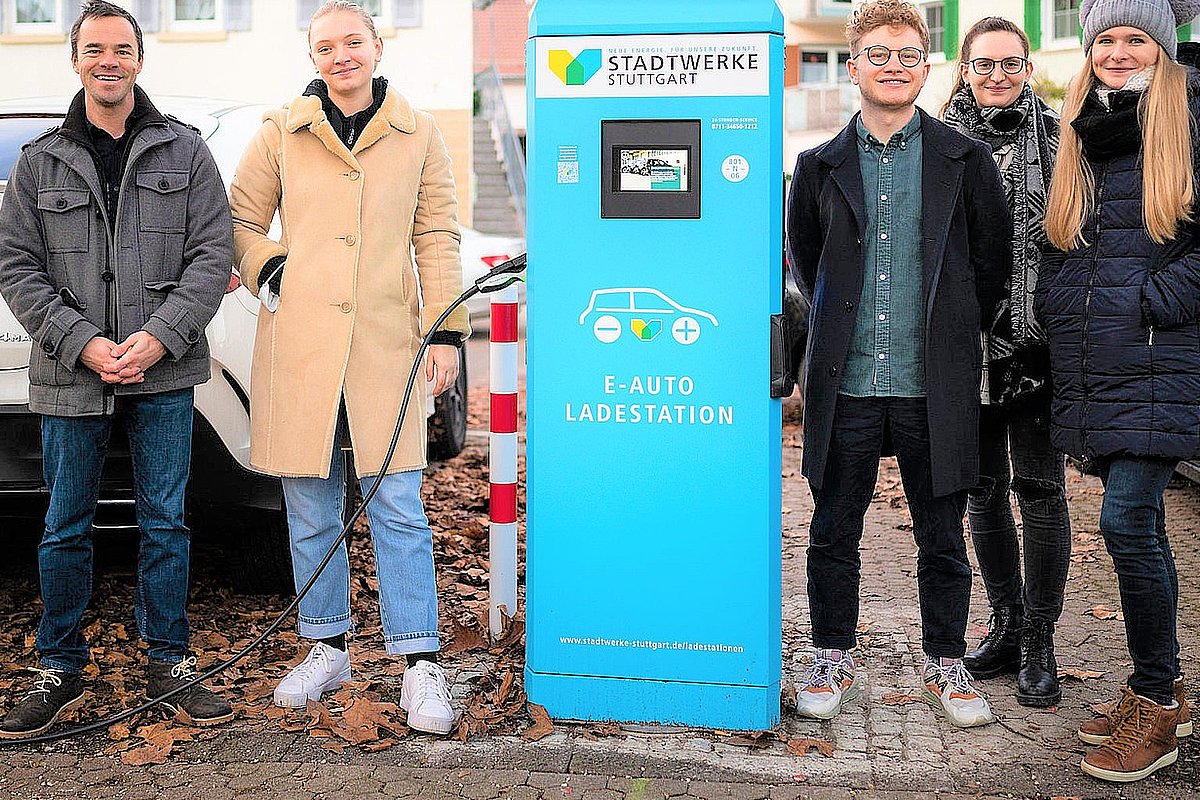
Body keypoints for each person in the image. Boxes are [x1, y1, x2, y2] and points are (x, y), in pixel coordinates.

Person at [228, 0, 469, 735]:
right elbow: (239, 218)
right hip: (300, 344)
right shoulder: (281, 130)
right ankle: (326, 646)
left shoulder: (418, 131)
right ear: (313, 56)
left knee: (397, 504)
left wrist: (447, 333)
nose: (341, 55)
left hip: (382, 346)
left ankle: (419, 662)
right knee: (309, 505)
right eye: (326, 45)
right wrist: (273, 271)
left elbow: (436, 233)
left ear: (376, 46)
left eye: (352, 42)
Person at [0, 1, 234, 738]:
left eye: (122, 48)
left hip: (164, 371)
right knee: (64, 526)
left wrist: (159, 337)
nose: (109, 60)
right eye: (95, 48)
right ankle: (58, 669)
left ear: (139, 59)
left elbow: (212, 254)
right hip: (71, 374)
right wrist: (81, 341)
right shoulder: (38, 161)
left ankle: (169, 661)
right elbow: (17, 265)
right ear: (76, 58)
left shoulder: (186, 151)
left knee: (166, 522)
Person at [786, 0, 1011, 729]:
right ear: (854, 66)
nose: (893, 66)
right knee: (833, 533)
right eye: (878, 53)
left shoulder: (964, 160)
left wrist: (950, 333)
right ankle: (831, 655)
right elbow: (809, 265)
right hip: (847, 383)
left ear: (926, 64)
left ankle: (947, 662)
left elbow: (990, 267)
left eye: (907, 53)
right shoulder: (816, 167)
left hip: (932, 383)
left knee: (945, 537)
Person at [1039, 0, 1200, 782]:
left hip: (1162, 360)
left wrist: (1159, 300)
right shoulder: (1088, 128)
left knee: (1127, 521)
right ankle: (1163, 684)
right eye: (1106, 38)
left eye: (1137, 37)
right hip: (1103, 365)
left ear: (1163, 48)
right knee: (1144, 528)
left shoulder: (1190, 118)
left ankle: (1155, 707)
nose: (1119, 51)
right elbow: (1069, 247)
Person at [940, 17, 1072, 709]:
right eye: (984, 64)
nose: (997, 76)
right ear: (964, 68)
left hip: (1041, 348)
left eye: (1010, 65)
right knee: (983, 491)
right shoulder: (937, 145)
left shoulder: (1061, 139)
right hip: (964, 351)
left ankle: (1043, 638)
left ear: (1027, 68)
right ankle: (1008, 626)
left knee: (1042, 492)